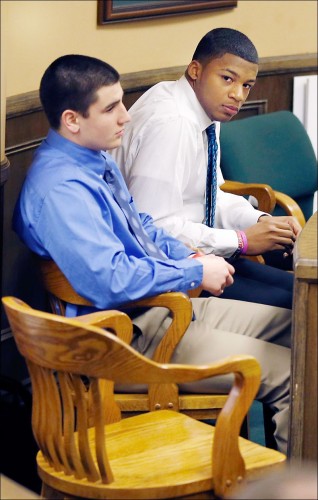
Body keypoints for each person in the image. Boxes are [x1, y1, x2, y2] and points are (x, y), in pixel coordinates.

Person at [13, 54, 291, 453]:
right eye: (111, 108)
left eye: (121, 102)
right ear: (73, 120)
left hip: (158, 311)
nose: (126, 116)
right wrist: (193, 275)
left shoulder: (92, 159)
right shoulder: (61, 189)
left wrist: (190, 258)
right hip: (125, 339)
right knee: (294, 375)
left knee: (301, 329)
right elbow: (109, 280)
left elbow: (141, 225)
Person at [113, 27, 302, 310]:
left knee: (302, 293)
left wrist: (260, 222)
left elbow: (211, 193)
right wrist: (240, 241)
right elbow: (152, 227)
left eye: (247, 85)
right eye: (227, 79)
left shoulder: (205, 109)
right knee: (296, 306)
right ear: (195, 70)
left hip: (204, 254)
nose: (238, 95)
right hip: (168, 274)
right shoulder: (172, 123)